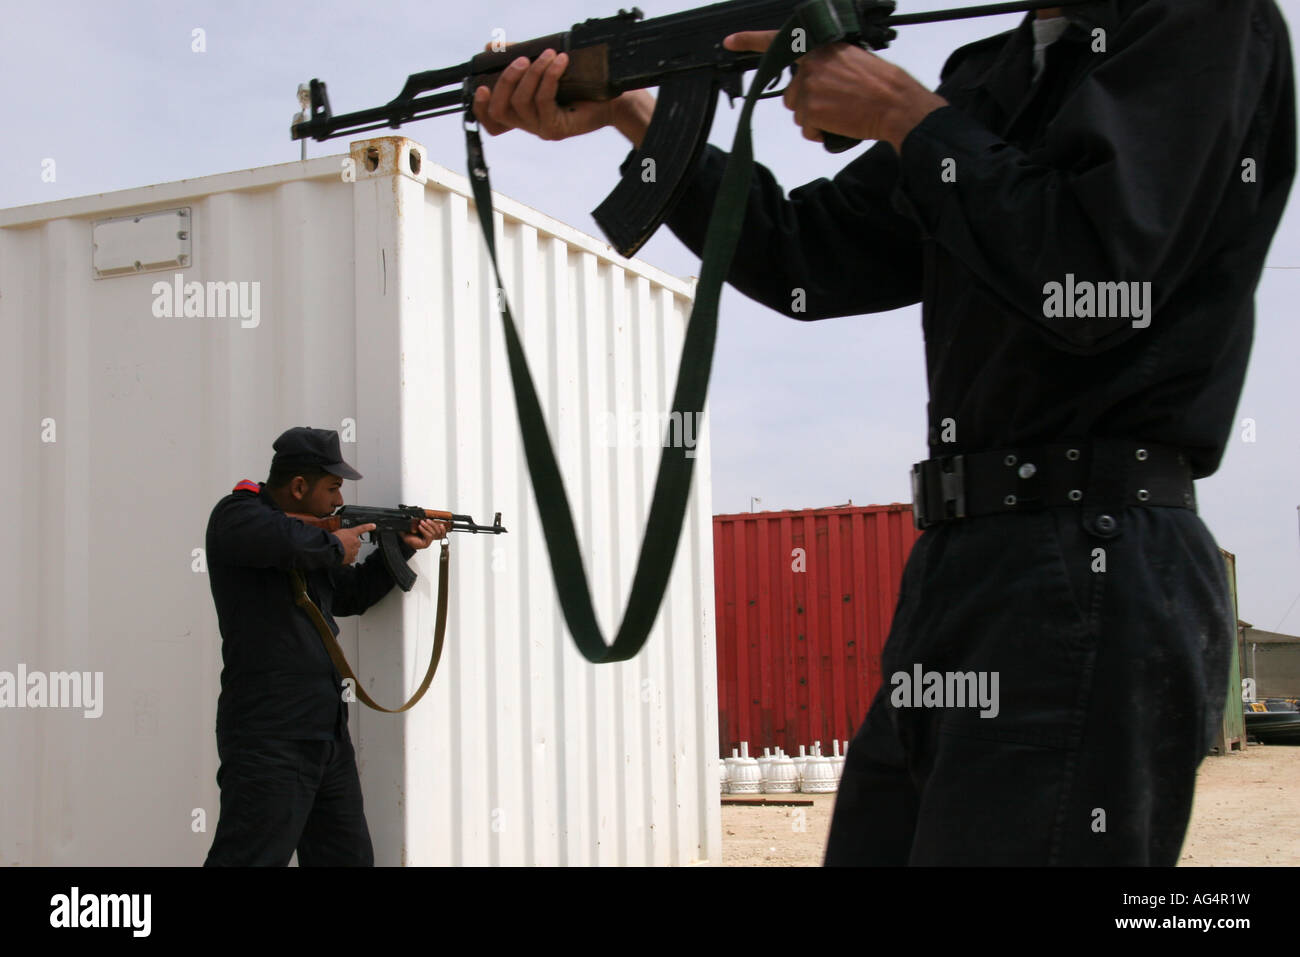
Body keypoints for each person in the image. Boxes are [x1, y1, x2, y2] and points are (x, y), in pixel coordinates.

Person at [472, 0, 1296, 864]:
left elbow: (1090, 273)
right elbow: (803, 254)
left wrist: (905, 116)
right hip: (962, 561)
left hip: (1093, 548)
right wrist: (632, 115)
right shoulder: (998, 73)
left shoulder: (1200, 19)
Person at [203, 427, 447, 866]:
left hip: (325, 733)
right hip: (270, 736)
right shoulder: (238, 514)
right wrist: (334, 545)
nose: (337, 500)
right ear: (299, 486)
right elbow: (281, 539)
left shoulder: (309, 546)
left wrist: (403, 550)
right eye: (332, 487)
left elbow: (350, 596)